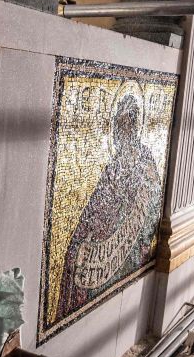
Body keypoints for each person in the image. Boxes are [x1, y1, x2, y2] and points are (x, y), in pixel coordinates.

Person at [57, 94, 163, 321]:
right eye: (117, 124)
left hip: (127, 247)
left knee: (79, 256)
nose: (119, 130)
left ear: (133, 125)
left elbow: (151, 207)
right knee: (72, 252)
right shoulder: (116, 163)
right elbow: (96, 205)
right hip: (107, 235)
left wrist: (116, 221)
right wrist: (86, 231)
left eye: (123, 124)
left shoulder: (143, 159)